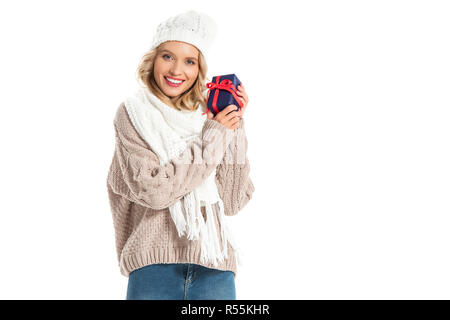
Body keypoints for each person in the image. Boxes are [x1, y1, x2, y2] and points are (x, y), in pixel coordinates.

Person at [106, 10, 255, 300]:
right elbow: (154, 191)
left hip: (216, 269)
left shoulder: (210, 120)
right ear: (153, 59)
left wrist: (233, 126)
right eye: (167, 56)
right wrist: (213, 136)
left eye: (189, 61)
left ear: (199, 69)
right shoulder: (133, 115)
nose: (177, 71)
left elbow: (234, 200)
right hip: (152, 270)